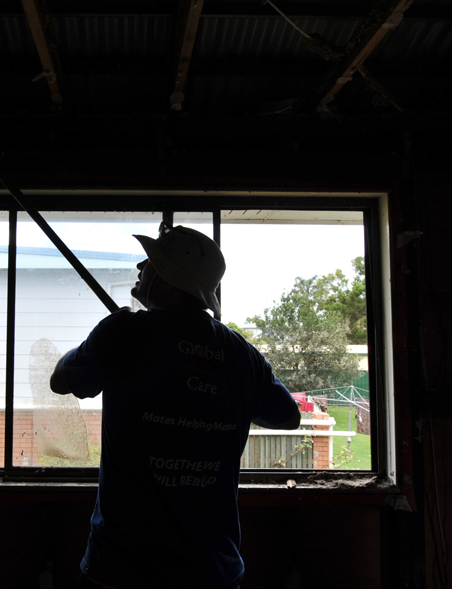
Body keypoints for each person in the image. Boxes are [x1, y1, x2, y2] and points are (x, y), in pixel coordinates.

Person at [50, 223, 301, 588]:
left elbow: (63, 381)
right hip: (212, 569)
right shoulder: (242, 354)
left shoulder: (123, 333)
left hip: (125, 567)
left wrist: (107, 339)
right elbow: (286, 415)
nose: (140, 268)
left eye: (150, 262)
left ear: (167, 280)